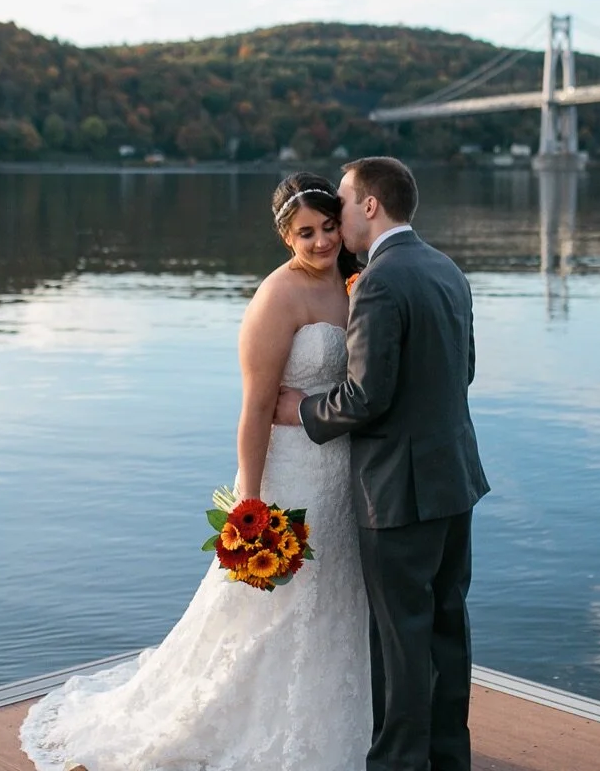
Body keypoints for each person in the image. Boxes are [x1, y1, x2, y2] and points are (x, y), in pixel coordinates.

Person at [21, 172, 371, 771]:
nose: (320, 242)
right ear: (286, 237)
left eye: (329, 227)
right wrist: (251, 500)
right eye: (305, 232)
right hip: (289, 474)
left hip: (340, 473)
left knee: (336, 596)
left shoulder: (352, 282)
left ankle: (337, 724)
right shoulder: (276, 298)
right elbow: (256, 407)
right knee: (268, 607)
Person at [274, 156, 490, 771]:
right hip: (456, 480)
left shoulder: (378, 280)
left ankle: (397, 765)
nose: (338, 214)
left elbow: (367, 397)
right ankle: (450, 758)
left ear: (369, 205)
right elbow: (463, 371)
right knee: (448, 629)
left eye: (343, 202)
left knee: (399, 642)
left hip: (398, 492)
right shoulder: (447, 268)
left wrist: (304, 411)